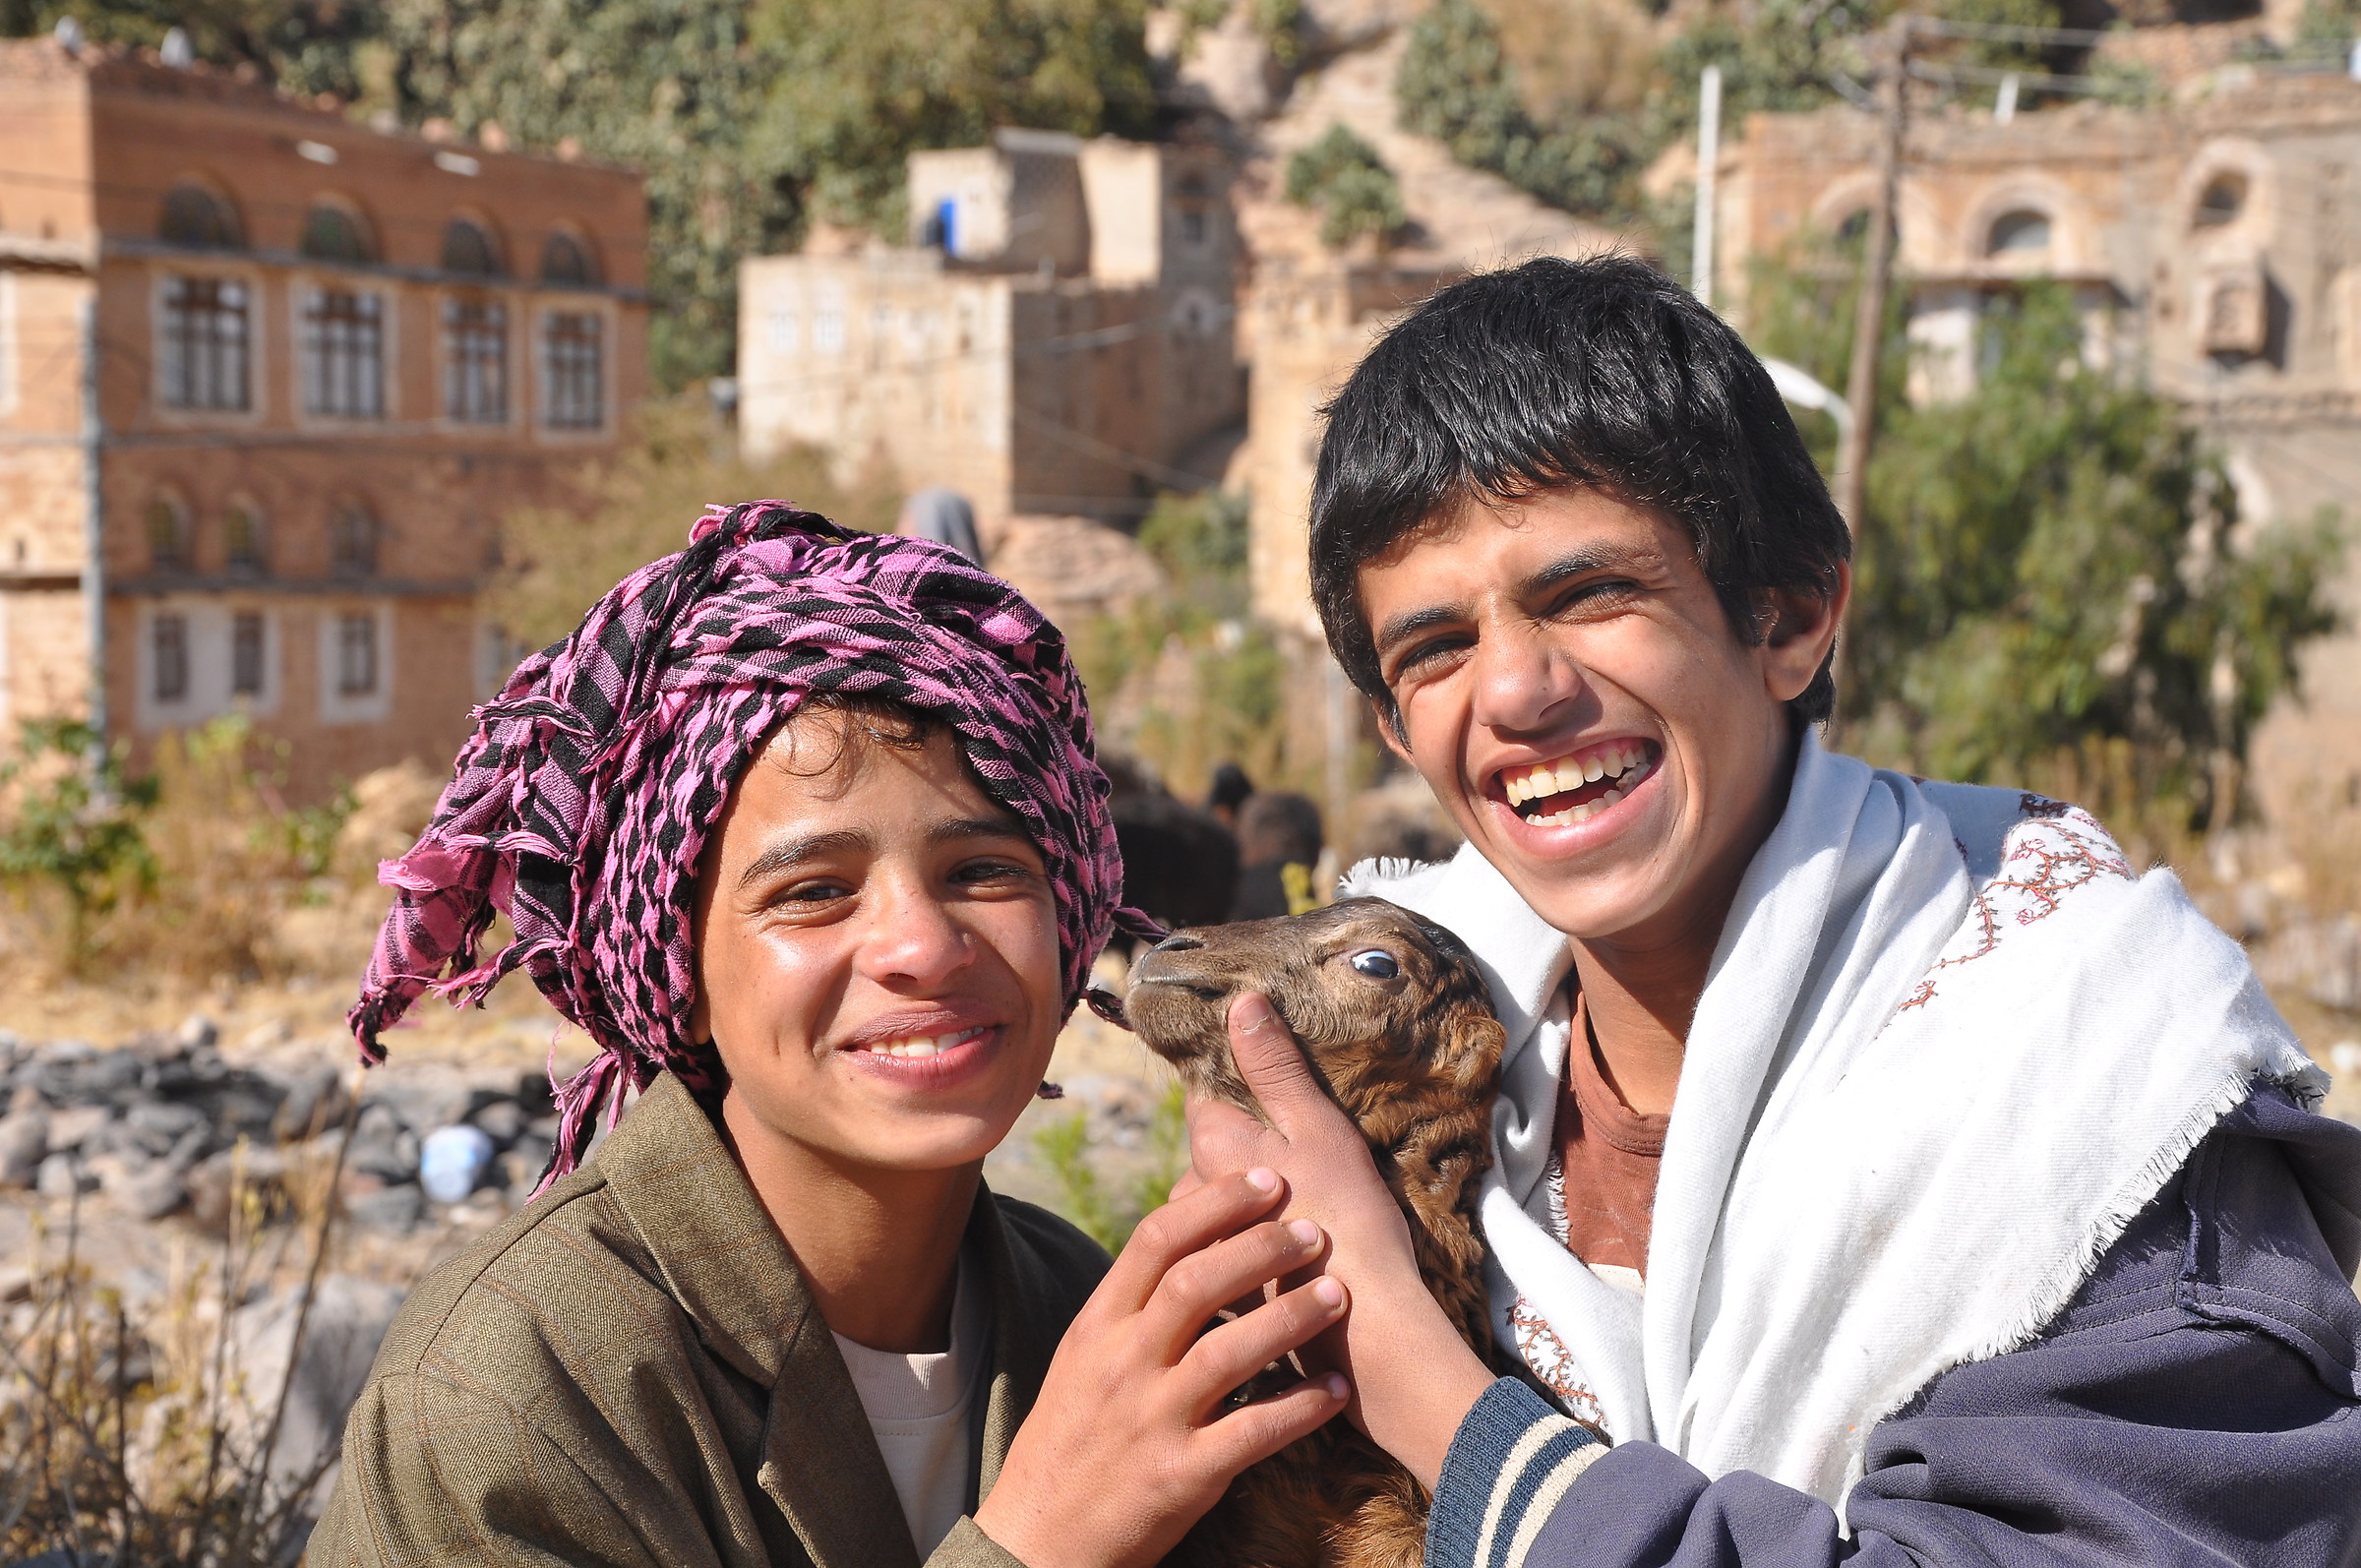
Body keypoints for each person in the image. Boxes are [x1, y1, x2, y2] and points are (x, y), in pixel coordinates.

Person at [1183, 256, 2361, 1566]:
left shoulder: (2096, 1101)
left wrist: (1425, 1388)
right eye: (1437, 645)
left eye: (1591, 593)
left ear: (1791, 616)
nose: (1514, 689)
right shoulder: (1387, 1073)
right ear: (1398, 725)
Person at [309, 503, 1354, 1568]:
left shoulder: (1081, 1313)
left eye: (984, 871)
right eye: (813, 891)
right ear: (680, 968)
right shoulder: (519, 1389)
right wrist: (1039, 1540)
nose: (923, 947)